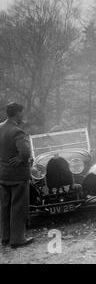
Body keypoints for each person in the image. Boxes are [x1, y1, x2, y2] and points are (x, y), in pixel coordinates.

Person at [0, 102, 34, 248]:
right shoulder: (17, 131)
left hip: (2, 174)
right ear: (17, 113)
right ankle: (18, 239)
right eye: (21, 112)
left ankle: (5, 238)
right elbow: (26, 152)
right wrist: (21, 158)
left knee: (4, 207)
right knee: (18, 207)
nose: (22, 115)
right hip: (17, 176)